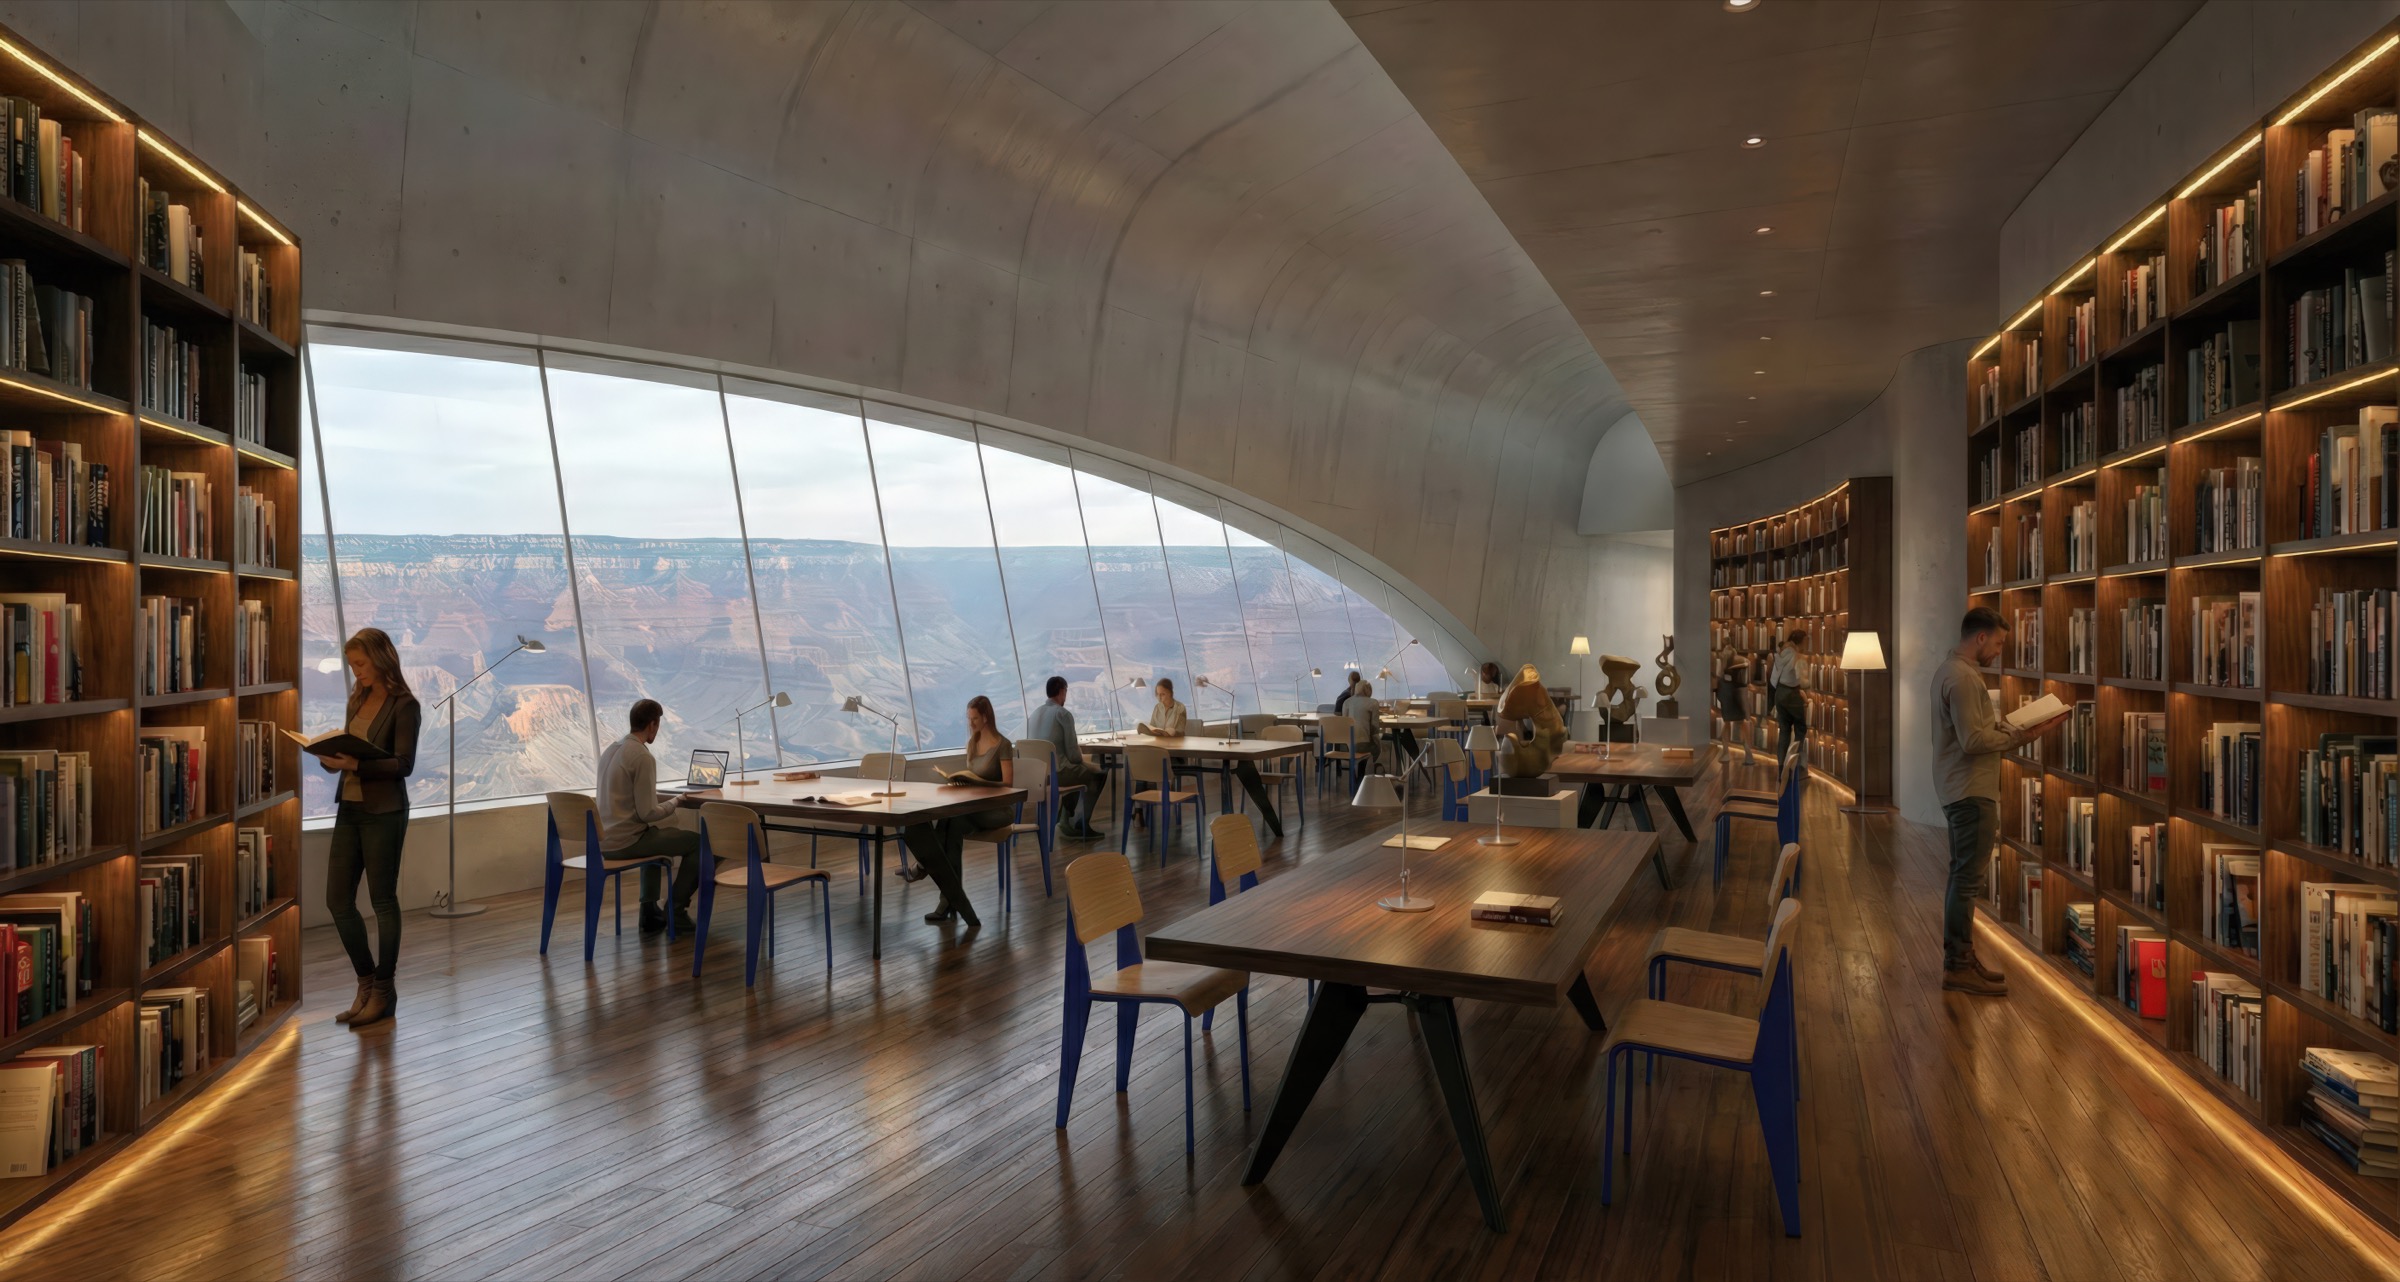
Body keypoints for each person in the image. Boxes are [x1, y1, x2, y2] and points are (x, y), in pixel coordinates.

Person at [1933, 607, 2069, 996]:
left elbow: (1977, 731)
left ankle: (1961, 958)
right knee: (1966, 879)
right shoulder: (1961, 679)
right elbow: (1972, 741)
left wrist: (2013, 726)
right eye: (1998, 642)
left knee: (1962, 876)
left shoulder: (1953, 671)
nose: (1999, 650)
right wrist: (2027, 734)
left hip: (1961, 786)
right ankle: (1957, 965)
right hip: (1969, 790)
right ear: (1980, 638)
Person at [320, 628, 421, 1030]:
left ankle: (384, 991)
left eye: (360, 664)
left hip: (385, 812)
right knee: (337, 900)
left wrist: (356, 765)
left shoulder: (405, 705)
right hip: (350, 807)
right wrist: (332, 759)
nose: (356, 672)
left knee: (382, 901)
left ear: (381, 659)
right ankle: (366, 983)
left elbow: (403, 765)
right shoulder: (356, 699)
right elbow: (351, 749)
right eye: (352, 665)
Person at [903, 696, 1014, 929]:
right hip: (973, 808)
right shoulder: (972, 743)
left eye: (974, 719)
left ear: (986, 717)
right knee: (950, 826)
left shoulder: (1003, 745)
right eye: (969, 719)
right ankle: (951, 900)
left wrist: (979, 783)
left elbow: (1008, 785)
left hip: (997, 810)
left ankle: (928, 870)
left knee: (950, 822)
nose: (971, 724)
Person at [596, 699, 702, 935]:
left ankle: (649, 912)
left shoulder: (612, 749)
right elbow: (647, 813)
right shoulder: (642, 756)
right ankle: (676, 909)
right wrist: (677, 801)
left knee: (657, 835)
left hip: (603, 840)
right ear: (653, 725)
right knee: (700, 843)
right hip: (626, 842)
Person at [1029, 675, 1103, 839]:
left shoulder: (1033, 715)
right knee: (1097, 775)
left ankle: (1064, 817)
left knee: (1076, 771)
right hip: (1057, 775)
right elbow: (1074, 756)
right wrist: (1086, 763)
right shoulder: (1063, 714)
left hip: (1036, 776)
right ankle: (1077, 823)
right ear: (1062, 691)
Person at [1768, 629, 1810, 758]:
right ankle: (1794, 764)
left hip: (1779, 693)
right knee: (1800, 729)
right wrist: (1803, 689)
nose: (1806, 645)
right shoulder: (1796, 656)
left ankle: (1781, 769)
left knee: (1784, 731)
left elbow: (1776, 676)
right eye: (1805, 641)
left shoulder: (1783, 652)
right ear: (1801, 642)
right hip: (1791, 695)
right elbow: (1803, 681)